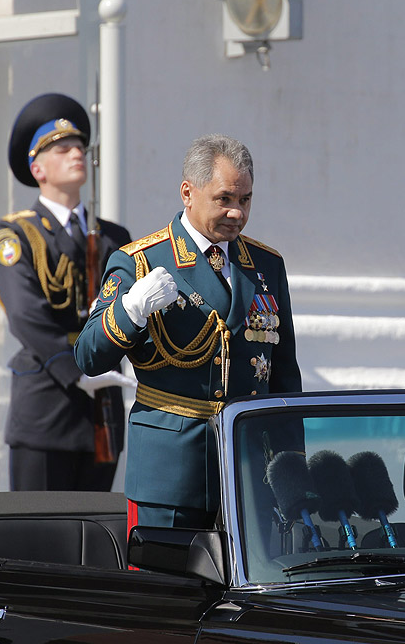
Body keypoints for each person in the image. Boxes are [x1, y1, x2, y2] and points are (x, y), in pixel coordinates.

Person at [74, 134, 302, 529]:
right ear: (188, 193)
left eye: (245, 200)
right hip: (170, 474)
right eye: (224, 199)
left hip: (248, 473)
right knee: (167, 588)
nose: (237, 213)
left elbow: (284, 377)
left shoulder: (266, 265)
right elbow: (88, 356)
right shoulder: (140, 261)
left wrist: (292, 471)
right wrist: (131, 311)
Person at [0, 92, 133, 491]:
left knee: (95, 539)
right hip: (46, 408)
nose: (77, 154)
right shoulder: (16, 234)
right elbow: (26, 315)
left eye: (80, 147)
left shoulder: (113, 237)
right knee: (39, 537)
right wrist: (76, 370)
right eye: (63, 148)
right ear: (38, 168)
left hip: (102, 409)